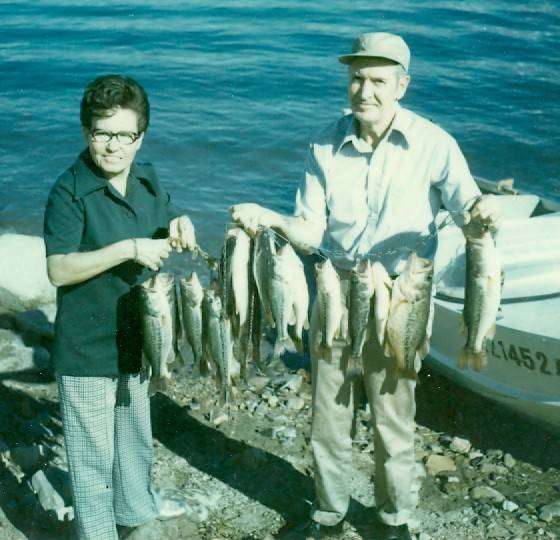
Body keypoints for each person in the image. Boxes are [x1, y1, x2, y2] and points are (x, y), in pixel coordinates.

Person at [231, 33, 500, 540]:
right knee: (328, 415)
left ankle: (394, 519)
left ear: (403, 85)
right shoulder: (323, 144)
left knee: (392, 416)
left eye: (378, 80)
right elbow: (311, 231)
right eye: (357, 78)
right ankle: (328, 513)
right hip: (336, 288)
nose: (365, 90)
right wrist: (273, 218)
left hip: (402, 297)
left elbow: (470, 214)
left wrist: (484, 211)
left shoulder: (435, 144)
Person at [43, 74, 196, 540]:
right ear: (86, 131)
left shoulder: (147, 179)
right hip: (87, 347)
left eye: (124, 135)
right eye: (102, 133)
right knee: (92, 459)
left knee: (135, 440)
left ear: (140, 136)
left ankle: (135, 513)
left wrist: (179, 220)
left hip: (139, 339)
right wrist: (129, 249)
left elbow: (164, 214)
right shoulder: (68, 192)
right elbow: (59, 270)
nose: (112, 146)